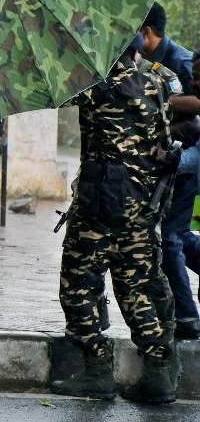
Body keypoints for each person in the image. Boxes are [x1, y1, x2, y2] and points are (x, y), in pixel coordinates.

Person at [51, 32, 180, 404]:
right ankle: (158, 374)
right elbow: (161, 138)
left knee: (78, 282)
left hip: (99, 206)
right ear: (136, 49)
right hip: (142, 203)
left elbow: (59, 92)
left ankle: (96, 370)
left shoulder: (94, 85)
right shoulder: (158, 81)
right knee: (136, 287)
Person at [141, 2, 200, 339]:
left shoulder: (178, 60)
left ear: (147, 32)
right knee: (181, 236)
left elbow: (195, 109)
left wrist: (158, 97)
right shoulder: (151, 61)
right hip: (170, 164)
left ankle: (187, 319)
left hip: (188, 164)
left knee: (171, 238)